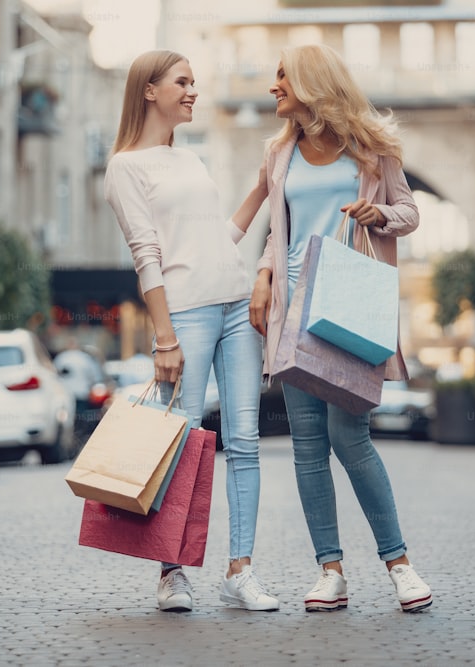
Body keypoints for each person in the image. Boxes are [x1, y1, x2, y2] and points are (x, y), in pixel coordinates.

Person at [248, 44, 433, 613]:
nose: (273, 85)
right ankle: (330, 571)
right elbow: (276, 229)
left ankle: (399, 564)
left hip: (346, 302)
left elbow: (410, 212)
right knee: (306, 447)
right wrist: (261, 276)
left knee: (350, 438)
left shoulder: (370, 150)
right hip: (292, 310)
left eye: (282, 76)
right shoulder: (278, 155)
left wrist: (380, 215)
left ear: (309, 83)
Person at [104, 50, 277, 613]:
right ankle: (171, 573)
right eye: (183, 82)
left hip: (234, 310)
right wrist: (164, 337)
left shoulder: (191, 160)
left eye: (195, 82)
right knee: (177, 442)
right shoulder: (126, 167)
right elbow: (148, 256)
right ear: (149, 90)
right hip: (187, 316)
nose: (193, 91)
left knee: (245, 442)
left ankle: (240, 571)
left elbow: (214, 242)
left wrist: (260, 191)